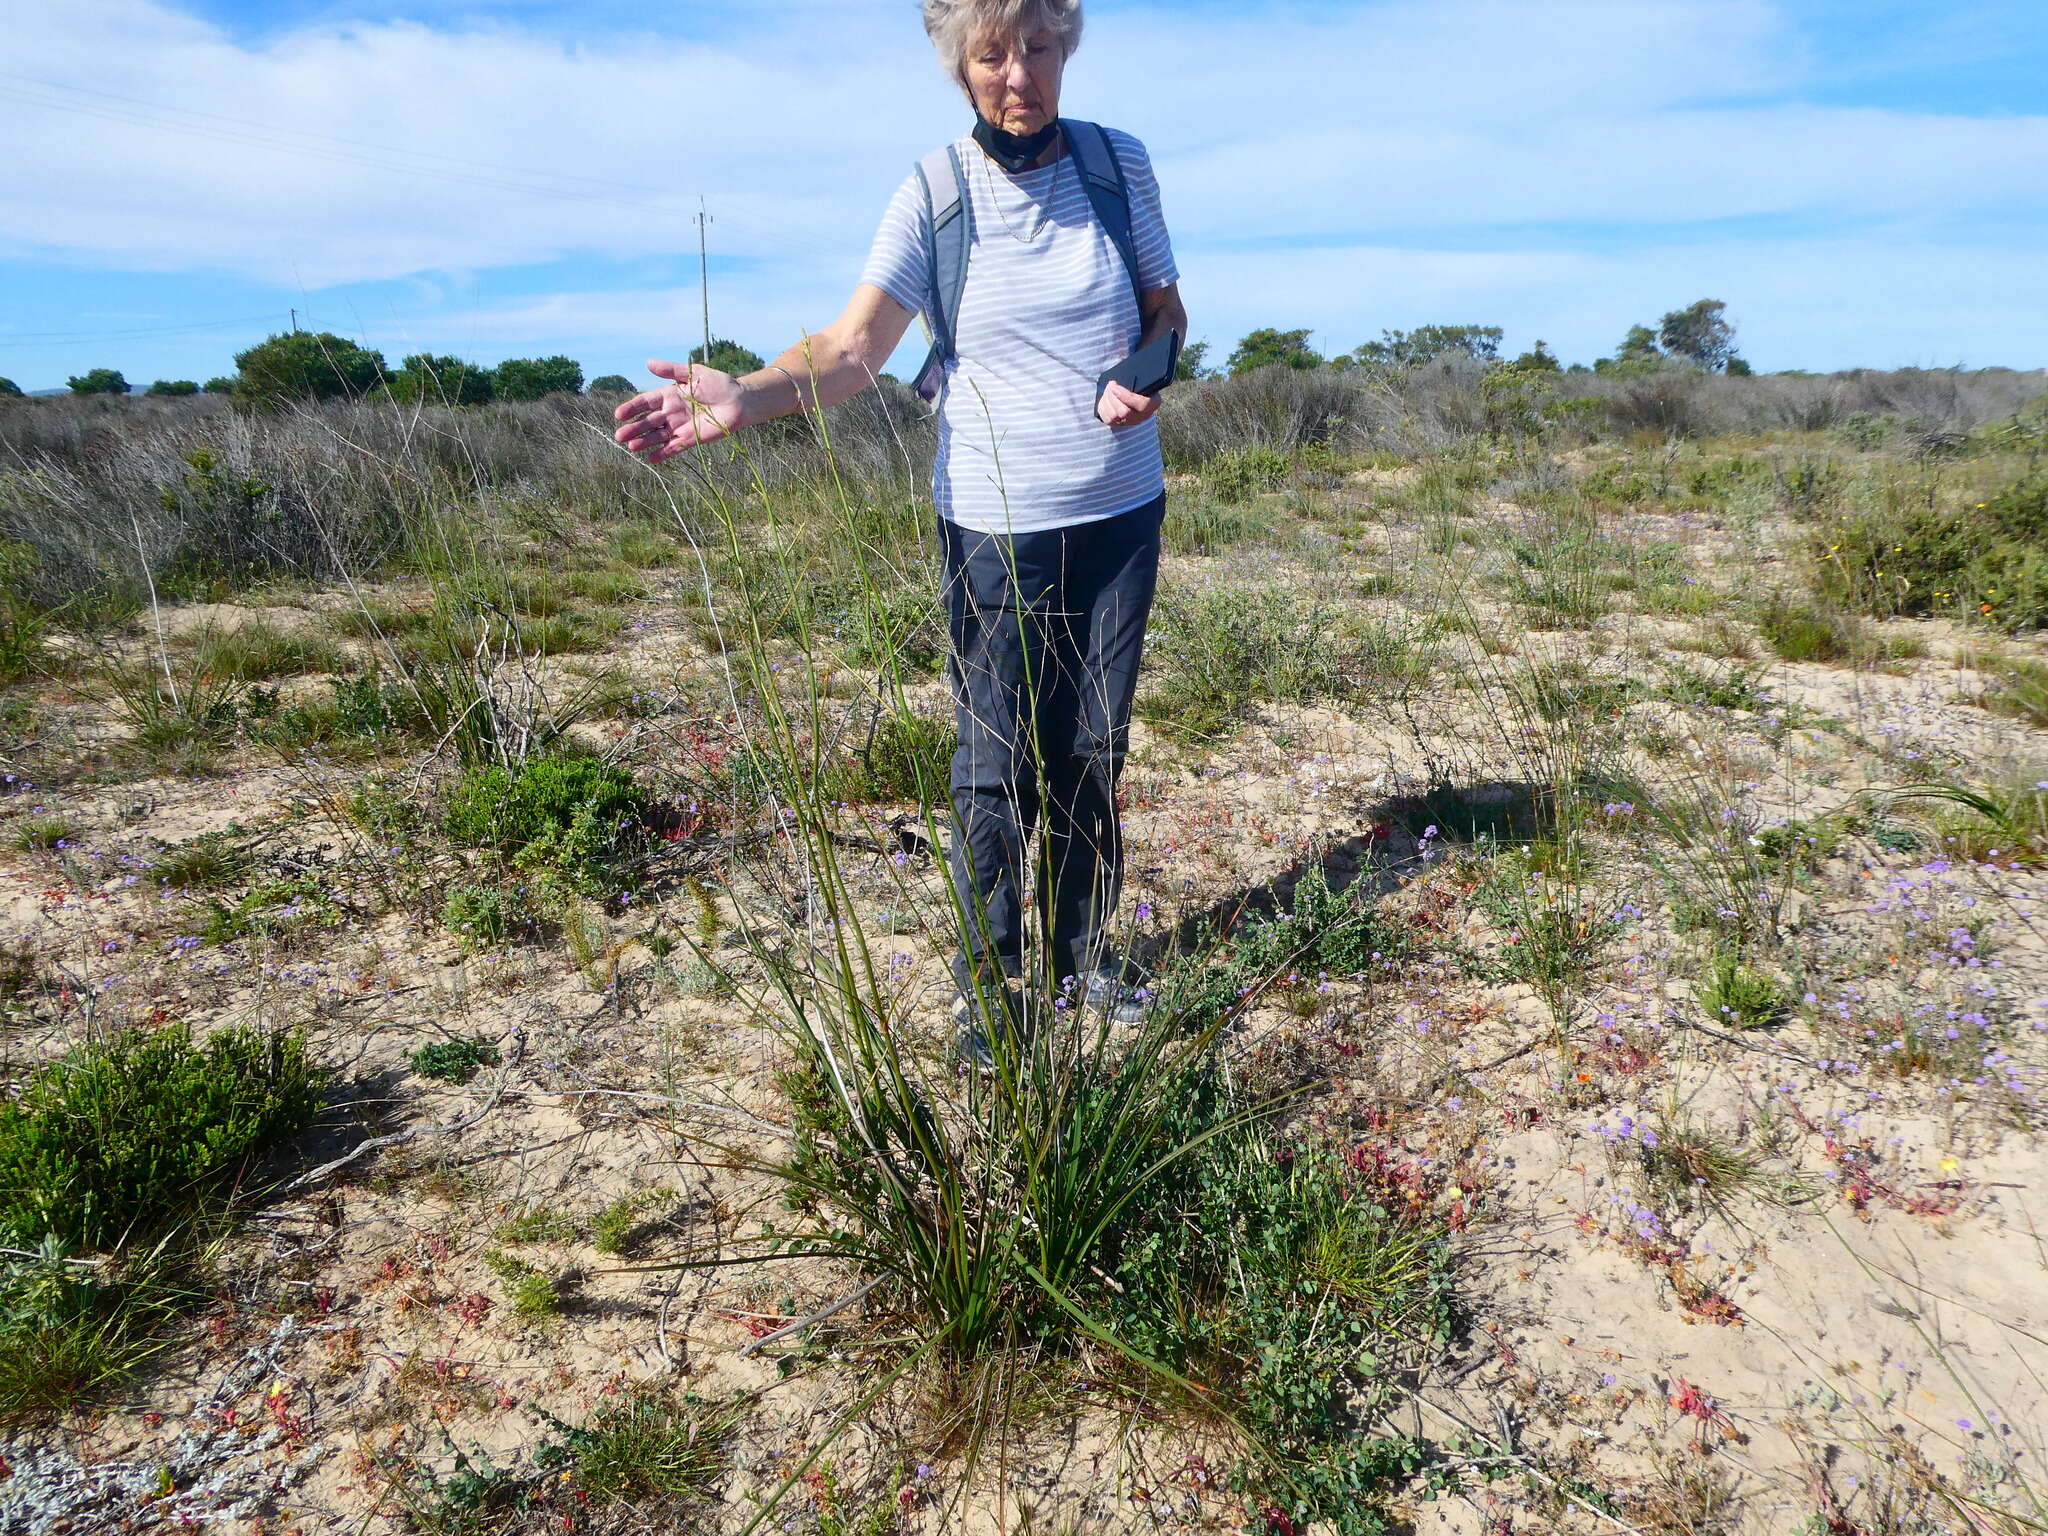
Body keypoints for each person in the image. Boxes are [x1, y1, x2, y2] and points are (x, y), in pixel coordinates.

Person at [613, 0, 1186, 1064]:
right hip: (991, 524)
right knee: (994, 755)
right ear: (959, 68)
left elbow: (1166, 310)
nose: (1018, 75)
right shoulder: (932, 192)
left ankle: (1081, 955)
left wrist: (1145, 373)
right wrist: (746, 392)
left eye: (1037, 49)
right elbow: (850, 348)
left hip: (1119, 507)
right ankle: (988, 981)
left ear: (1065, 51)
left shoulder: (1119, 166)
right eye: (991, 54)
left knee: (1093, 746)